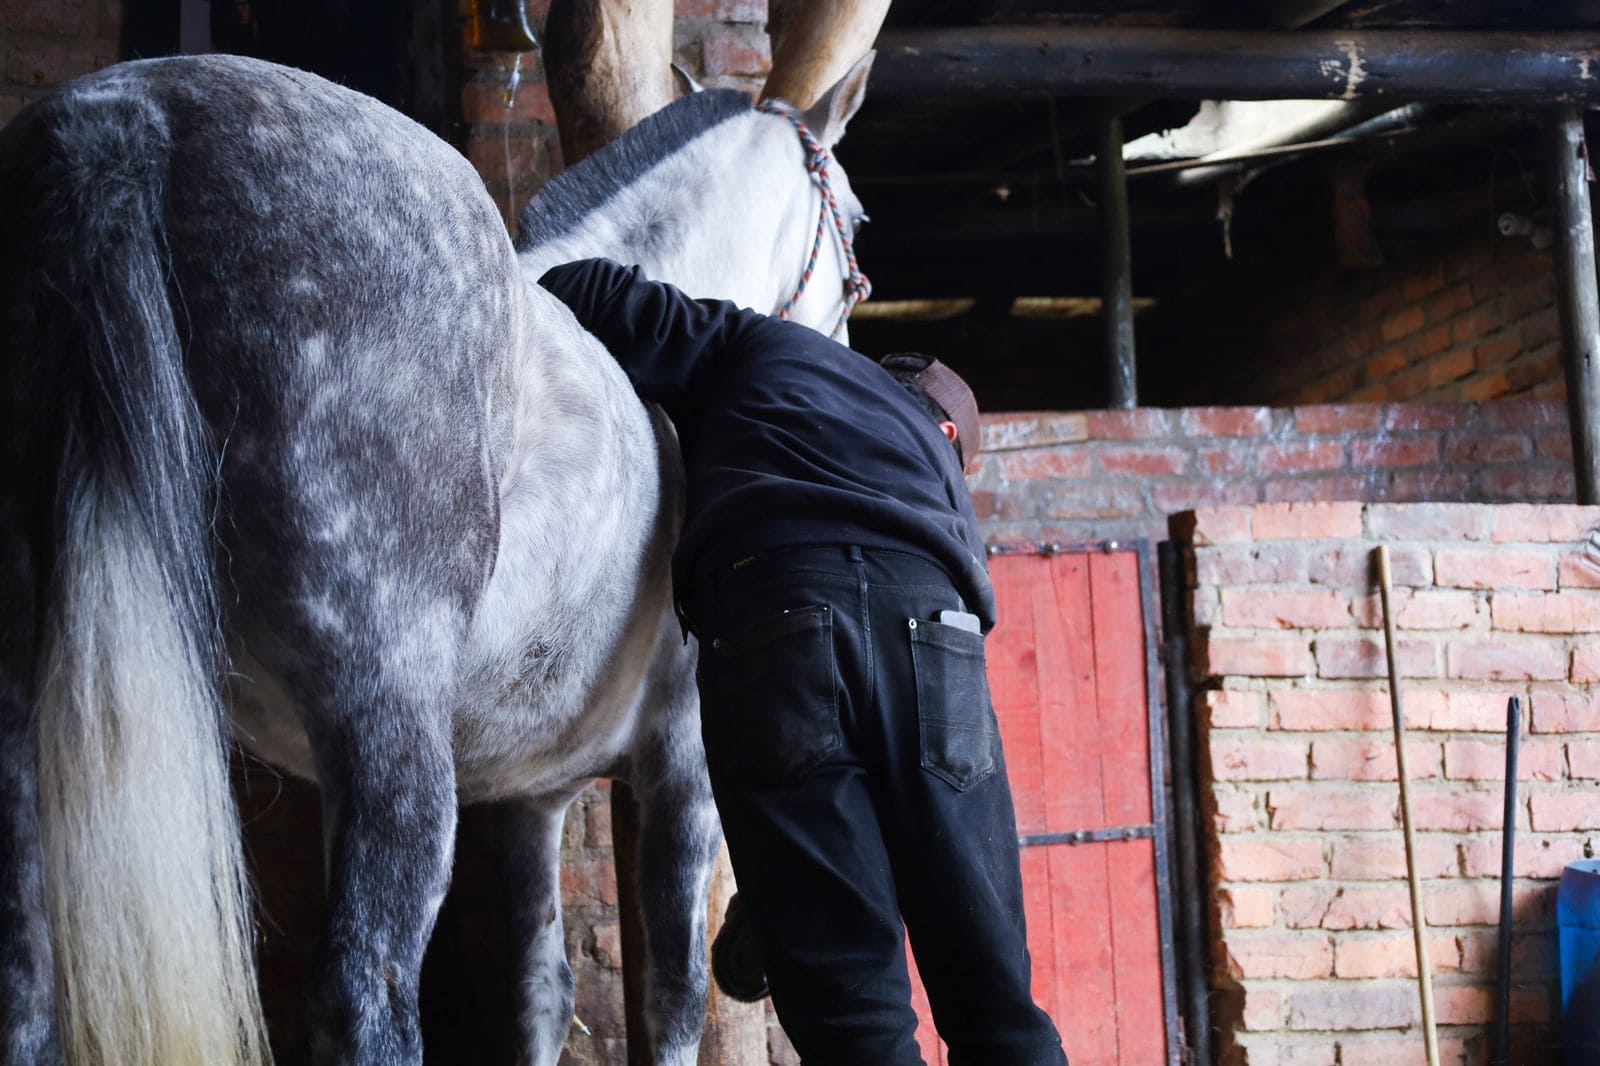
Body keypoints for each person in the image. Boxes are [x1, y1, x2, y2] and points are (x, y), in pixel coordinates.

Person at [539, 258, 1068, 1066]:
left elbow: (587, 288)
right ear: (950, 433)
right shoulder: (937, 470)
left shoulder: (768, 347)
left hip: (775, 613)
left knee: (855, 1022)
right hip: (939, 632)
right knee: (998, 1005)